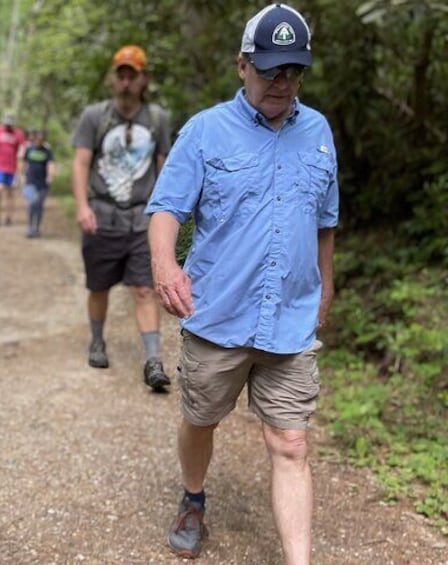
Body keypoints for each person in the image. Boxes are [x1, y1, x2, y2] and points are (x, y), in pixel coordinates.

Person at [146, 4, 338, 562]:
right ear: (242, 66)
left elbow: (326, 221)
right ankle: (193, 495)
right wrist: (165, 265)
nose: (282, 83)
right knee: (200, 419)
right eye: (270, 69)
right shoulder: (205, 131)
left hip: (291, 319)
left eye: (293, 71)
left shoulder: (319, 131)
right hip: (218, 315)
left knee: (292, 442)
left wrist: (327, 285)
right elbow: (165, 210)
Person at [71, 44, 172, 392]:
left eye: (133, 75)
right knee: (99, 286)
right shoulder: (95, 117)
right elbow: (81, 161)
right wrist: (82, 206)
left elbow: (164, 169)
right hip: (102, 217)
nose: (127, 81)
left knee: (145, 289)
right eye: (121, 74)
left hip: (142, 220)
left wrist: (165, 214)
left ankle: (153, 360)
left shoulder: (157, 119)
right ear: (113, 79)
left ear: (144, 80)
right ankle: (97, 340)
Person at [0, 112, 27, 226]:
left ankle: (8, 217)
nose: (8, 126)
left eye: (10, 124)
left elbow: (21, 149)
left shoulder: (18, 134)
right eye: (6, 124)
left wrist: (20, 167)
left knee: (10, 193)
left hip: (12, 168)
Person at [21, 129, 55, 238]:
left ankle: (37, 227)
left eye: (41, 139)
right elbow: (24, 162)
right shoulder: (29, 149)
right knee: (32, 203)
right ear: (34, 138)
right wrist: (21, 175)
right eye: (37, 138)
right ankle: (30, 227)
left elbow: (51, 164)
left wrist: (50, 176)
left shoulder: (47, 151)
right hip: (30, 181)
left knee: (39, 206)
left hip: (43, 183)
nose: (39, 140)